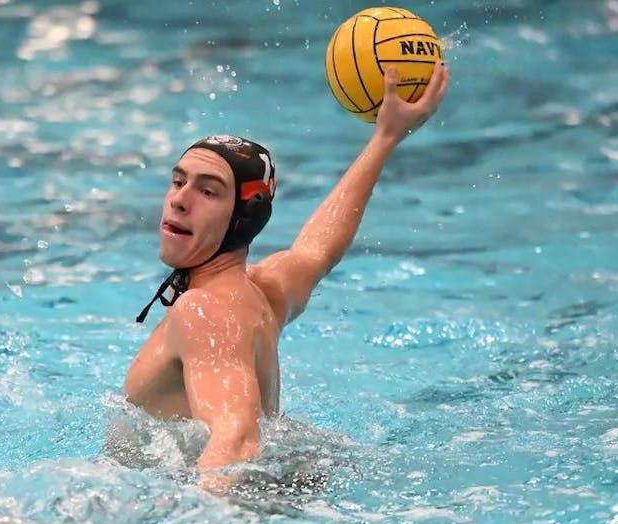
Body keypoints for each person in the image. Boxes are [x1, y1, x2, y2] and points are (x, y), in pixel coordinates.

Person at [123, 62, 450, 488]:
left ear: (244, 217)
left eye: (207, 190)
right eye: (178, 181)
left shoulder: (204, 311)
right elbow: (316, 251)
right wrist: (385, 138)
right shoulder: (265, 289)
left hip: (205, 509)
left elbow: (236, 440)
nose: (179, 201)